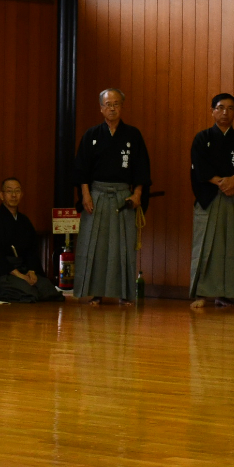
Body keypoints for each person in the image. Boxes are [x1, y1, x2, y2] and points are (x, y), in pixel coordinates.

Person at [73, 88, 151, 306]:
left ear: (122, 107)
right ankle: (95, 292)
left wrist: (137, 194)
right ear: (101, 108)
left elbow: (142, 168)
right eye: (108, 104)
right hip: (96, 195)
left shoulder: (133, 135)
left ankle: (124, 293)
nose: (112, 108)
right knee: (94, 245)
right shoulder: (91, 135)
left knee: (123, 245)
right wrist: (85, 195)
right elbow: (81, 169)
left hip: (122, 197)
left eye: (116, 104)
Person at [188, 94, 234, 308]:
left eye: (230, 108)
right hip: (210, 198)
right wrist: (222, 182)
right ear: (212, 111)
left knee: (232, 247)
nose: (225, 113)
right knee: (204, 246)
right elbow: (199, 168)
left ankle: (226, 294)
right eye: (220, 108)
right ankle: (201, 293)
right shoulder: (202, 138)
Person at [0, 178, 62, 303]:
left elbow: (32, 251)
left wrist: (32, 272)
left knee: (49, 290)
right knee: (29, 293)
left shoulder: (24, 222)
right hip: (4, 273)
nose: (13, 195)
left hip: (23, 269)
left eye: (17, 191)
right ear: (1, 195)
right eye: (9, 191)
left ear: (21, 195)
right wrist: (20, 276)